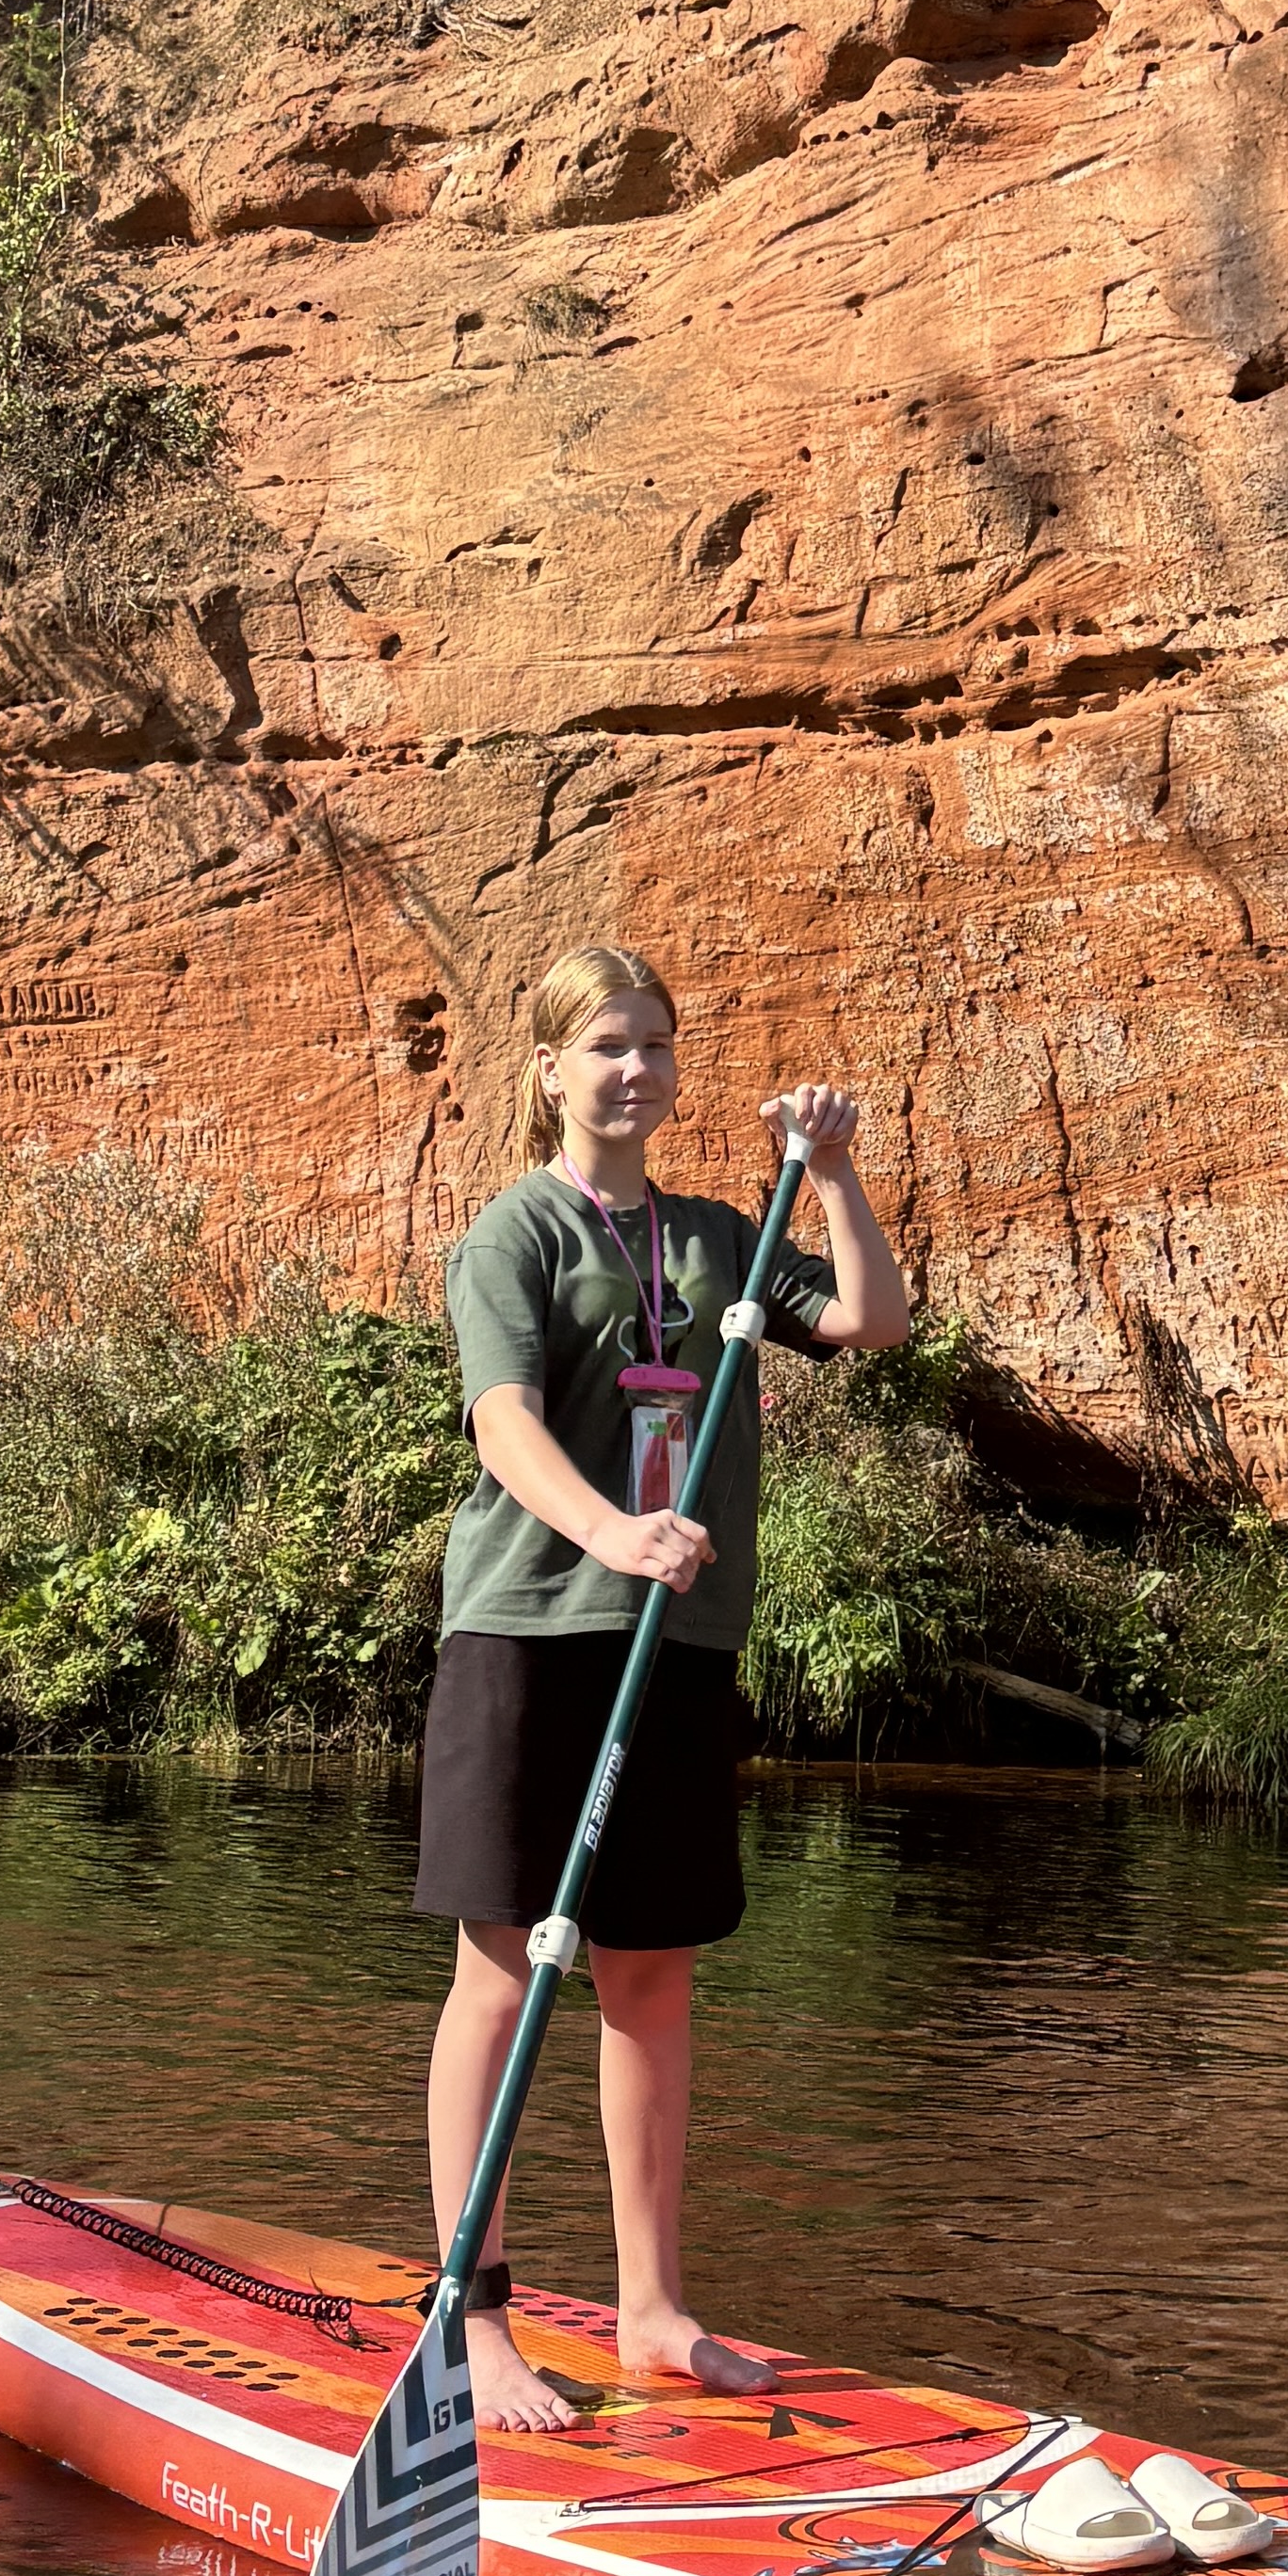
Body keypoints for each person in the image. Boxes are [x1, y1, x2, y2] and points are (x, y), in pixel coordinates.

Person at [419, 936, 908, 2428]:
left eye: (655, 1045)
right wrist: (612, 1532)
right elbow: (504, 1424)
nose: (636, 1069)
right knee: (505, 1967)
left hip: (678, 1641)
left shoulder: (714, 1237)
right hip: (529, 1629)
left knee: (651, 1976)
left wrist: (833, 1172)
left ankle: (651, 2312)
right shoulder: (514, 1234)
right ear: (549, 1070)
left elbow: (872, 1321)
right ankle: (471, 2321)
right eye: (607, 1046)